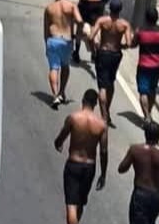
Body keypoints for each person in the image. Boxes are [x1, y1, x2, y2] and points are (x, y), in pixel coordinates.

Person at [54, 89, 108, 224]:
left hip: (74, 164)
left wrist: (58, 144)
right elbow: (104, 151)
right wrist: (103, 174)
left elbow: (61, 137)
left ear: (83, 100)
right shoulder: (102, 125)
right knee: (80, 203)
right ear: (95, 104)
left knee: (71, 205)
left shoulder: (74, 118)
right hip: (90, 167)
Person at [118, 121, 159, 224]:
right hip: (157, 195)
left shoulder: (135, 149)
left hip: (140, 194)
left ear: (145, 134)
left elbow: (121, 169)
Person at [90, 0, 131, 127]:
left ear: (110, 8)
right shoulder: (124, 24)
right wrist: (121, 46)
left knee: (102, 86)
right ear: (120, 10)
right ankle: (107, 109)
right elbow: (129, 43)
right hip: (115, 54)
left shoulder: (102, 21)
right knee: (111, 82)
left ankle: (104, 116)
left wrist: (94, 48)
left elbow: (91, 36)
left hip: (103, 52)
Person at [44, 0, 80, 109]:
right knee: (65, 66)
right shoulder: (71, 6)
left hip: (53, 40)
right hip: (67, 41)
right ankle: (62, 92)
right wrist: (78, 34)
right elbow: (79, 20)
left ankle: (55, 96)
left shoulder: (49, 8)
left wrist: (46, 43)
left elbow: (46, 29)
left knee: (54, 68)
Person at [132, 9, 159, 124]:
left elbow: (133, 44)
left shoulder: (140, 31)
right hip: (158, 65)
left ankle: (147, 116)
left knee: (143, 91)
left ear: (146, 19)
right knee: (152, 89)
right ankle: (149, 112)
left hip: (144, 65)